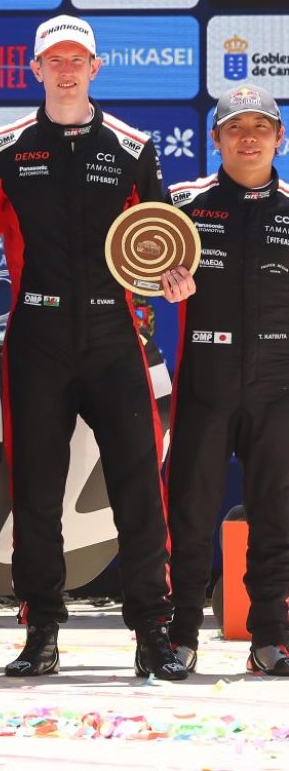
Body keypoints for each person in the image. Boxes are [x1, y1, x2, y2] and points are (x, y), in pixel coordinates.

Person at [0, 15, 195, 680]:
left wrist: (174, 278)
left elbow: (162, 237)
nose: (65, 70)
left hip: (115, 337)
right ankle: (41, 634)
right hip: (37, 338)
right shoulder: (8, 147)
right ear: (35, 69)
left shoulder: (132, 146)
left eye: (76, 59)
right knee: (36, 494)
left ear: (95, 68)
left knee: (139, 489)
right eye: (53, 60)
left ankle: (153, 634)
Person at [166, 84, 289, 676]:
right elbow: (131, 267)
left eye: (260, 127)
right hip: (205, 384)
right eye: (235, 127)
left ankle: (271, 639)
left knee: (276, 514)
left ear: (279, 138)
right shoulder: (182, 203)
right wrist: (159, 279)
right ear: (215, 138)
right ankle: (180, 635)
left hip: (278, 389)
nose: (248, 138)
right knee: (190, 514)